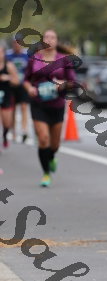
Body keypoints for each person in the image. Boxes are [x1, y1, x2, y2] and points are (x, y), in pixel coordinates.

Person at [23, 29, 76, 187]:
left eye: (53, 37)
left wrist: (63, 84)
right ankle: (46, 173)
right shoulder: (34, 59)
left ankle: (51, 157)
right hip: (38, 104)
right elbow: (25, 80)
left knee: (55, 145)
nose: (49, 39)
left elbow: (72, 82)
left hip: (57, 105)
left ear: (57, 41)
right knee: (43, 138)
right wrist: (29, 89)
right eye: (47, 37)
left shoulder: (64, 60)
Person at [6, 39, 30, 143]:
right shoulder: (8, 55)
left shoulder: (26, 55)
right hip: (11, 86)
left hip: (23, 85)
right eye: (15, 43)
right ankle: (13, 131)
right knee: (13, 109)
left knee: (24, 107)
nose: (17, 45)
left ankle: (24, 130)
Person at [0, 44, 19, 148]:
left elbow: (17, 81)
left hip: (6, 96)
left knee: (7, 123)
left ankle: (5, 135)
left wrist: (7, 77)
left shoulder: (9, 66)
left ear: (4, 54)